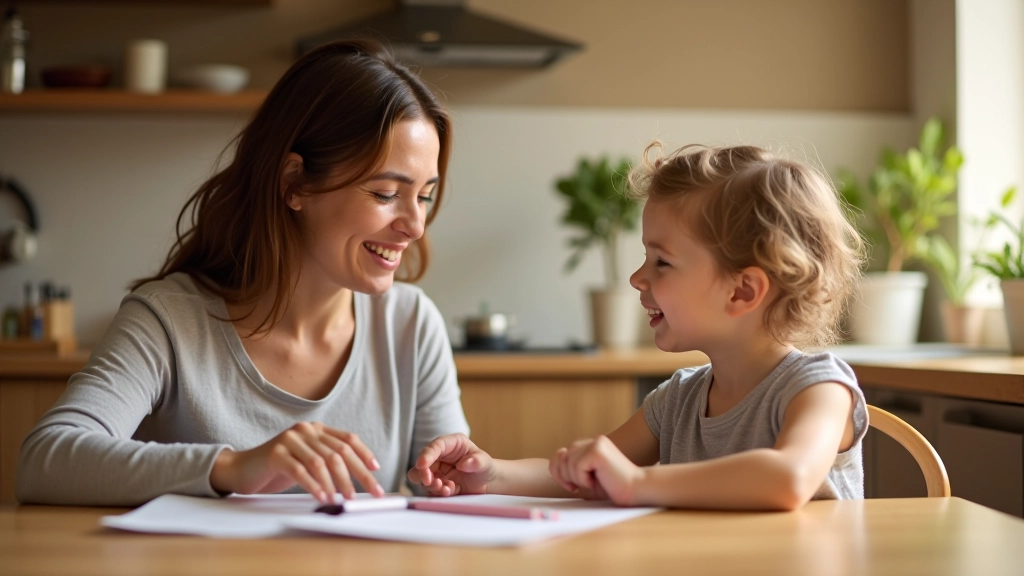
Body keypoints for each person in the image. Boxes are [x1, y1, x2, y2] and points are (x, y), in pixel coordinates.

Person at [16, 39, 470, 506]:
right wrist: (235, 467)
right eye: (385, 193)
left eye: (424, 196)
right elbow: (45, 460)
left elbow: (449, 490)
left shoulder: (411, 324)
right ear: (295, 183)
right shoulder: (169, 320)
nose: (415, 226)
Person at [409, 144, 867, 510]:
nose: (636, 278)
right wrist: (491, 474)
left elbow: (788, 478)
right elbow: (591, 475)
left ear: (742, 291)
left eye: (662, 262)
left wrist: (638, 481)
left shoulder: (817, 389)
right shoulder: (677, 400)